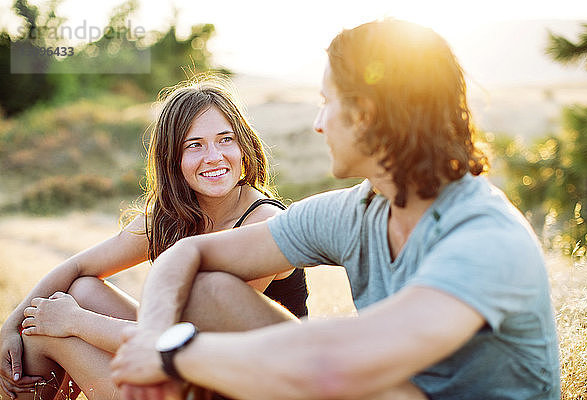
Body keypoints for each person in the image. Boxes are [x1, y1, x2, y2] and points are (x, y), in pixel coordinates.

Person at [111, 19, 560, 400]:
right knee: (208, 291)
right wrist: (152, 337)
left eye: (327, 101)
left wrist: (172, 356)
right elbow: (185, 255)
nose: (318, 122)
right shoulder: (357, 211)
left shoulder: (484, 237)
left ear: (364, 114)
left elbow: (336, 365)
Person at [0, 76, 307, 400]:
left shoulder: (263, 223)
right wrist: (9, 325)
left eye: (225, 139)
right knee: (77, 292)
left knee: (46, 332)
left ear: (244, 146)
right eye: (195, 145)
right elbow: (78, 265)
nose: (214, 156)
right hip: (184, 364)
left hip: (244, 384)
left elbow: (186, 344)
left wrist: (74, 322)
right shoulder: (175, 216)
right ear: (172, 158)